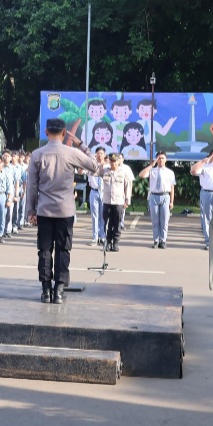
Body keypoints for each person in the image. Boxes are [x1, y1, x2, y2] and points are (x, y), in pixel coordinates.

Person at [25, 118, 99, 304]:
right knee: (63, 249)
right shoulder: (71, 152)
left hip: (44, 210)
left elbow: (32, 186)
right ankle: (58, 290)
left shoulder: (37, 154)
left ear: (46, 132)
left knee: (44, 250)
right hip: (65, 210)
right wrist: (80, 144)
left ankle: (45, 290)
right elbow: (94, 165)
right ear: (65, 133)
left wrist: (31, 210)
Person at [140, 152, 177, 249]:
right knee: (155, 220)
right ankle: (156, 240)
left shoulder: (170, 172)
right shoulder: (152, 171)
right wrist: (151, 165)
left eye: (162, 158)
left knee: (164, 220)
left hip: (165, 196)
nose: (161, 160)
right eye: (159, 158)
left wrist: (171, 201)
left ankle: (163, 240)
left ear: (166, 159)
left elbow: (172, 187)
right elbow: (141, 175)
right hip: (154, 196)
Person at [101, 153, 133, 251]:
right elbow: (94, 172)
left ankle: (115, 242)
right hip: (107, 201)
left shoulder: (123, 172)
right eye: (111, 161)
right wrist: (101, 162)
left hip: (118, 201)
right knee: (107, 223)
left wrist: (127, 200)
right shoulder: (104, 171)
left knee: (117, 223)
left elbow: (128, 187)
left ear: (118, 162)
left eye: (115, 161)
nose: (113, 163)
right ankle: (108, 241)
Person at [86, 148, 106, 246]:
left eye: (101, 153)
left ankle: (102, 237)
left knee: (103, 216)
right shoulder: (91, 165)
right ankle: (95, 237)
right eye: (98, 153)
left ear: (104, 155)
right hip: (94, 191)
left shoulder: (107, 166)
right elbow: (81, 171)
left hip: (104, 192)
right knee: (94, 216)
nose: (99, 155)